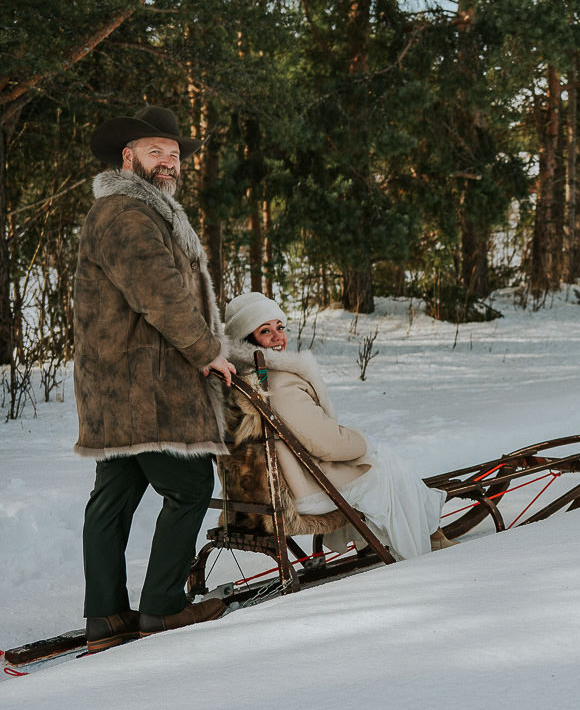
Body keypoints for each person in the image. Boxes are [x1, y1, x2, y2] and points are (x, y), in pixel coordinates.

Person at [74, 106, 232, 653]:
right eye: (154, 151)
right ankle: (163, 608)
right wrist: (207, 350)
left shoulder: (140, 211)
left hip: (116, 384)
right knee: (189, 487)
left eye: (174, 153)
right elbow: (160, 293)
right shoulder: (126, 213)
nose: (168, 161)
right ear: (128, 157)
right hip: (146, 383)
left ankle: (107, 618)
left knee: (112, 500)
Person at [221, 291, 455, 560]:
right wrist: (363, 442)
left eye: (280, 327)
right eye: (265, 331)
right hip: (306, 491)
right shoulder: (277, 382)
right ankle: (427, 541)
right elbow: (326, 444)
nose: (278, 337)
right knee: (385, 464)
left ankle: (392, 537)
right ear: (247, 339)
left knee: (377, 461)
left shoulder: (242, 379)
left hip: (278, 488)